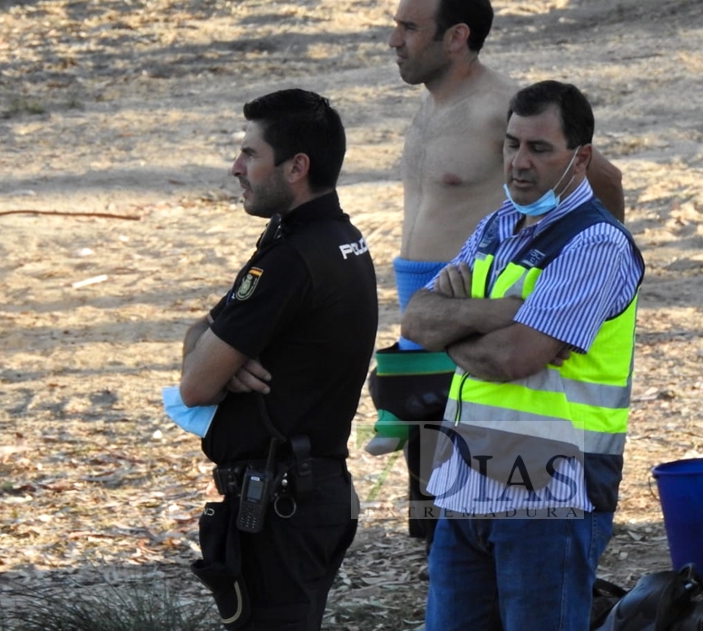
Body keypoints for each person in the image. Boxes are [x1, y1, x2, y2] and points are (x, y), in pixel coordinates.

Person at [365, 0, 626, 548]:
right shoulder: (432, 106)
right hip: (439, 311)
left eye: (409, 28)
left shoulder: (499, 107)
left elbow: (602, 177)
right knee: (434, 514)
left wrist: (594, 278)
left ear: (456, 36)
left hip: (482, 315)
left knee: (454, 514)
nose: (393, 40)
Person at [401, 80, 644, 631]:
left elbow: (513, 358)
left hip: (551, 493)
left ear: (579, 158)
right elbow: (416, 319)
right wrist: (499, 313)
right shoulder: (495, 228)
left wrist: (456, 328)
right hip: (466, 483)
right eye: (511, 145)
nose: (518, 163)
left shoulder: (596, 245)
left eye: (539, 148)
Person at [176, 89, 378, 631]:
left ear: (296, 168)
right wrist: (216, 344)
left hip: (283, 505)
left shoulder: (291, 259)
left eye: (250, 155)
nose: (236, 168)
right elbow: (211, 337)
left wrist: (209, 347)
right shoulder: (341, 238)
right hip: (308, 492)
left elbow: (195, 386)